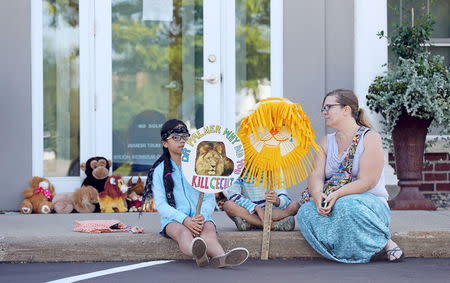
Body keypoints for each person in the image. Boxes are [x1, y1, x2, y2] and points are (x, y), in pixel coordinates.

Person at [297, 89, 404, 263]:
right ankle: (353, 250)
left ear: (346, 109)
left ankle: (384, 243)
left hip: (369, 206)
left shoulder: (370, 138)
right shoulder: (326, 141)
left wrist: (337, 194)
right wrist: (317, 196)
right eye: (323, 109)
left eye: (329, 107)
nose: (324, 112)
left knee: (346, 205)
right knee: (305, 212)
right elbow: (316, 175)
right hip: (335, 201)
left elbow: (368, 181)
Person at [143, 119, 249, 268]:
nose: (181, 141)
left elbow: (208, 196)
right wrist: (184, 219)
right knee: (182, 233)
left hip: (200, 217)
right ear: (165, 143)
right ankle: (197, 251)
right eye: (175, 137)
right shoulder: (160, 171)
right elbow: (161, 205)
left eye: (185, 137)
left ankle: (221, 258)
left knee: (209, 233)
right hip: (174, 220)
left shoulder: (199, 165)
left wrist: (202, 217)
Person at [222, 178, 300, 231]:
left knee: (294, 206)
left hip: (270, 212)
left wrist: (277, 200)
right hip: (248, 212)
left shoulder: (274, 169)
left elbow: (284, 197)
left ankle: (251, 224)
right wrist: (255, 208)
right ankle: (273, 225)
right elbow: (233, 195)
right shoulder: (239, 170)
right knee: (228, 205)